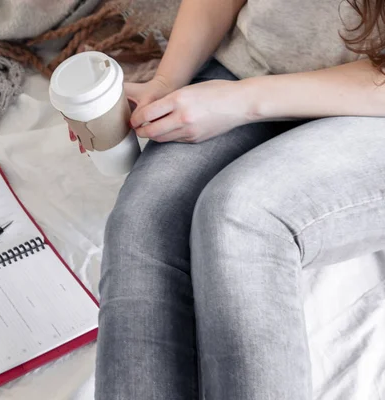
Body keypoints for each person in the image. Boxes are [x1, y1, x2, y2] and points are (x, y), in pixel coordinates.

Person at [66, 0, 385, 399]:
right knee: (142, 225)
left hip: (373, 108)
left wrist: (241, 102)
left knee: (240, 215)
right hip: (252, 64)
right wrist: (166, 85)